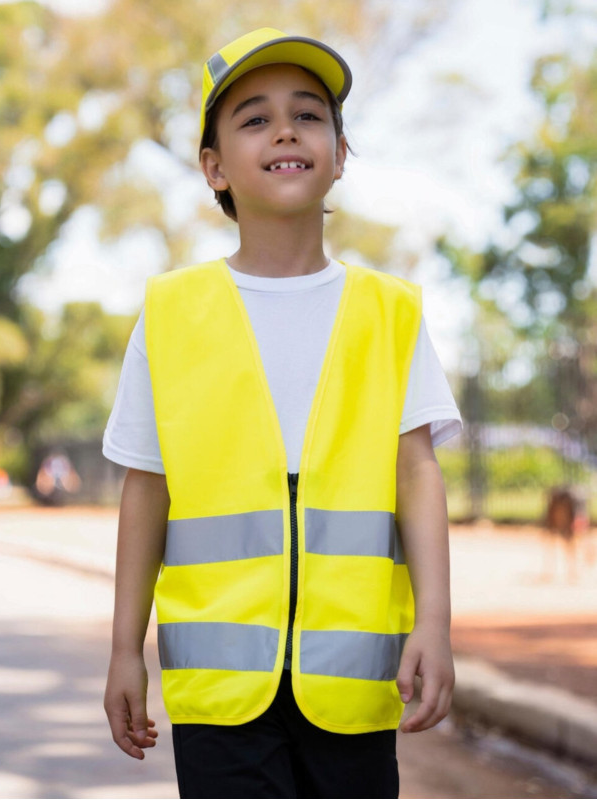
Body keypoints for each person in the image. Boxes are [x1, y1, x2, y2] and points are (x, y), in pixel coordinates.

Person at [103, 27, 462, 799]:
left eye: (309, 114)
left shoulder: (390, 312)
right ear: (214, 168)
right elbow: (147, 488)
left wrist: (434, 623)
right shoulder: (170, 314)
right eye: (254, 118)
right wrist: (123, 648)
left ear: (339, 152)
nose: (286, 130)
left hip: (353, 687)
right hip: (219, 698)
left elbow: (416, 471)